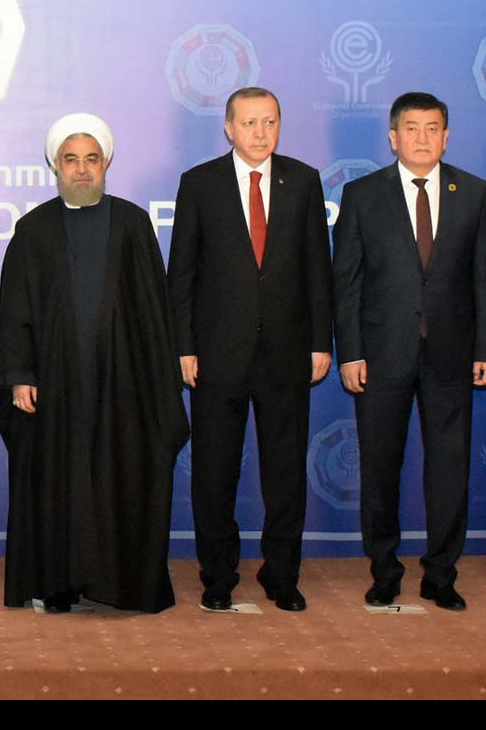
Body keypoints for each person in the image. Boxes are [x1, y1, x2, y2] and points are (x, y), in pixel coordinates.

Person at [0, 113, 189, 614]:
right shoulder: (34, 230)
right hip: (54, 385)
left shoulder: (133, 224)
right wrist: (19, 375)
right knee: (56, 483)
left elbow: (155, 312)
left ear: (105, 164)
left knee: (120, 478)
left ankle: (120, 584)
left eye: (91, 159)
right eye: (71, 160)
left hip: (123, 384)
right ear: (55, 167)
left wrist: (158, 381)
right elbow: (15, 308)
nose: (81, 170)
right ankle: (57, 583)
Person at [166, 88, 332, 613]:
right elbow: (182, 273)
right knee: (215, 473)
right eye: (250, 123)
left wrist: (320, 342)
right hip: (217, 354)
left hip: (287, 352)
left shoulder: (303, 180)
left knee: (285, 473)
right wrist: (183, 345)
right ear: (228, 127)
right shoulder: (200, 183)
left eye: (270, 122)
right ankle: (218, 576)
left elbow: (318, 268)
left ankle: (282, 575)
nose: (261, 133)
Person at [333, 92, 486, 611]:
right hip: (381, 355)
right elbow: (347, 283)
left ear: (446, 137)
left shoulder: (473, 192)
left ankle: (441, 574)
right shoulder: (362, 195)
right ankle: (384, 571)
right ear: (393, 137)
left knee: (449, 470)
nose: (422, 138)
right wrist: (351, 352)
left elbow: (485, 278)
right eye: (411, 128)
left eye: (432, 129)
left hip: (452, 354)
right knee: (380, 469)